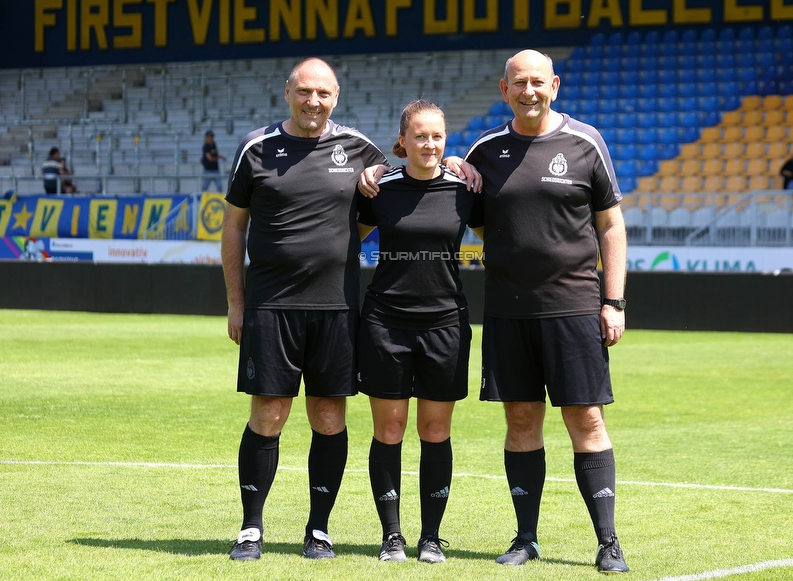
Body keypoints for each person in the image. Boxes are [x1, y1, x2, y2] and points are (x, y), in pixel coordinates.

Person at [463, 49, 629, 573]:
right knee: (520, 419)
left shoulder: (585, 142)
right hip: (509, 311)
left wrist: (613, 301)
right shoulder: (486, 151)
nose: (529, 90)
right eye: (519, 83)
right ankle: (526, 537)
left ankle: (608, 542)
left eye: (538, 82)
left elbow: (611, 226)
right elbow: (477, 219)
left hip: (575, 307)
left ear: (554, 85)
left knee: (585, 417)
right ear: (504, 89)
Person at [221, 57, 389, 562]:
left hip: (337, 307)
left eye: (323, 93)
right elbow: (233, 228)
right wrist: (235, 301)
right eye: (305, 92)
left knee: (329, 416)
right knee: (268, 414)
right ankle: (251, 528)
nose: (313, 101)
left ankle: (319, 529)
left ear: (336, 96)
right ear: (287, 92)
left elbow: (410, 166)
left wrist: (455, 164)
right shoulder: (256, 148)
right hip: (270, 306)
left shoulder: (359, 149)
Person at [355, 100, 483, 564]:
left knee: (435, 430)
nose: (430, 144)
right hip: (386, 323)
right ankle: (392, 537)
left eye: (438, 137)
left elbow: (501, 234)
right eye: (421, 136)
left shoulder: (464, 187)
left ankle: (431, 537)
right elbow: (346, 235)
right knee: (389, 429)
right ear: (403, 140)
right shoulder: (379, 188)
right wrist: (362, 176)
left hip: (445, 324)